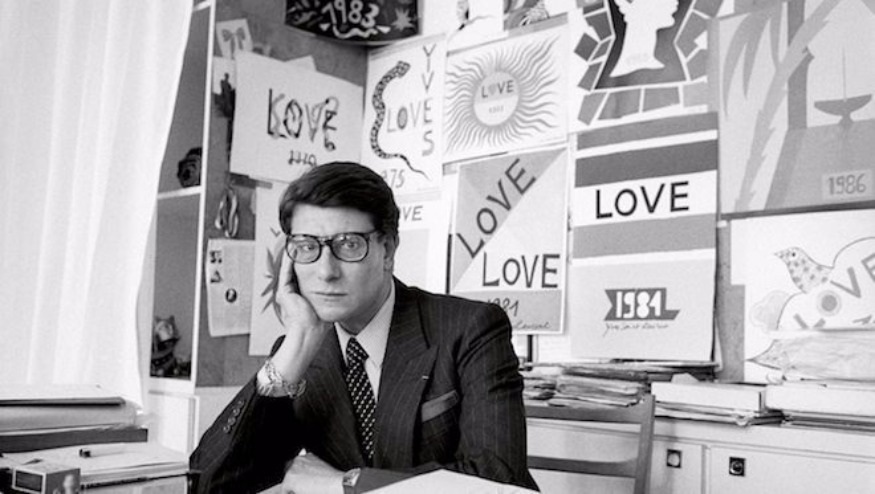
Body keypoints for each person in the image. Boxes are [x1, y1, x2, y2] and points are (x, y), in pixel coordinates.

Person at [190, 162, 537, 493]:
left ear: (387, 250)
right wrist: (296, 345)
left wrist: (346, 484)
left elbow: (498, 478)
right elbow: (210, 484)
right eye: (307, 247)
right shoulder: (300, 351)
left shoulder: (471, 329)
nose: (326, 271)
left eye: (349, 245)